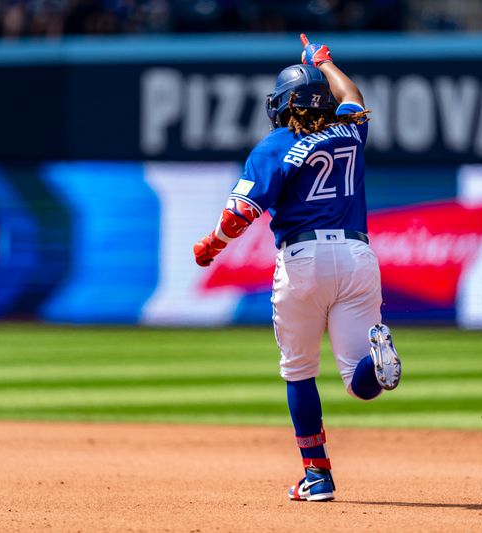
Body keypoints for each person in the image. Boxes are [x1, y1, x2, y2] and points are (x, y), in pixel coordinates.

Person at [193, 34, 401, 502]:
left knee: (299, 372)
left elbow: (237, 216)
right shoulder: (350, 129)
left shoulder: (274, 146)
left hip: (302, 259)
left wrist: (211, 246)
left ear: (282, 103)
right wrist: (324, 61)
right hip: (357, 256)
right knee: (359, 384)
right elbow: (353, 97)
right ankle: (379, 365)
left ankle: (318, 475)